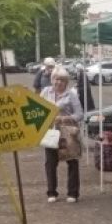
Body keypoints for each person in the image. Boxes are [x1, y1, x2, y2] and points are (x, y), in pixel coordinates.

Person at [40, 67, 83, 203]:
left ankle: (73, 193)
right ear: (52, 80)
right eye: (56, 79)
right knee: (50, 162)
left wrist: (64, 118)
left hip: (67, 132)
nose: (58, 82)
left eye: (62, 80)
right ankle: (51, 192)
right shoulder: (46, 92)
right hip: (51, 131)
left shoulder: (71, 95)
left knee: (72, 161)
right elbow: (38, 109)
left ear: (66, 82)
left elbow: (80, 114)